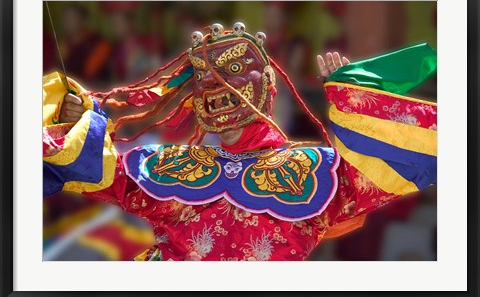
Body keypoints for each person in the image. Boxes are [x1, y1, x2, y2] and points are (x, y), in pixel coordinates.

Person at [43, 22, 437, 261]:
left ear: (267, 86)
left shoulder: (320, 170)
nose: (214, 83)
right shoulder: (171, 163)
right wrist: (82, 122)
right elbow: (99, 169)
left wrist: (353, 97)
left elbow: (386, 166)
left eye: (233, 69)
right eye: (202, 77)